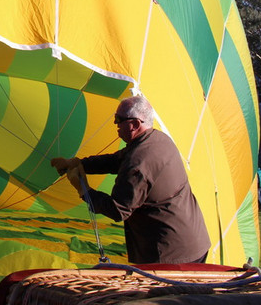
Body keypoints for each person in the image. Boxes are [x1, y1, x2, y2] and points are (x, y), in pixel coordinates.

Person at [50, 95, 210, 265]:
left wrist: (84, 190)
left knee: (162, 284)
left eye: (119, 119)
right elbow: (117, 160)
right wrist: (78, 163)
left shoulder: (139, 162)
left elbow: (118, 210)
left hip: (171, 254)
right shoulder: (157, 139)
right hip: (193, 240)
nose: (115, 124)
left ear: (135, 124)